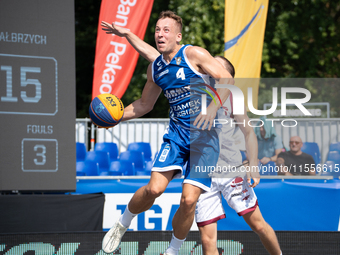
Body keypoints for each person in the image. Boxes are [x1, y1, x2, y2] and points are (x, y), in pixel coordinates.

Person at [101, 20, 281, 255]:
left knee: (253, 223)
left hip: (225, 165)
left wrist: (253, 164)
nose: (209, 68)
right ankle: (130, 227)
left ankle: (175, 249)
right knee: (199, 232)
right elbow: (159, 61)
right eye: (157, 30)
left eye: (216, 67)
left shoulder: (228, 93)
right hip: (189, 148)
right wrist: (127, 35)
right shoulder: (185, 70)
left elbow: (249, 130)